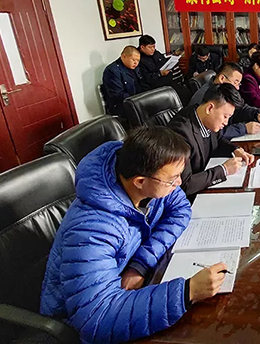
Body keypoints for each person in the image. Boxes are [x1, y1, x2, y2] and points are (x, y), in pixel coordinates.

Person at [40, 127, 229, 343]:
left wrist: (141, 263)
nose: (178, 184)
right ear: (140, 181)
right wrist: (188, 292)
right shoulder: (91, 230)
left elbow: (180, 209)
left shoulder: (150, 176)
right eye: (172, 180)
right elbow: (97, 319)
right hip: (75, 325)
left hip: (123, 286)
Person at [168, 84, 255, 197]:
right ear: (209, 108)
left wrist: (235, 150)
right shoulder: (180, 133)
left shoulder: (202, 116)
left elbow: (218, 139)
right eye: (225, 116)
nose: (226, 122)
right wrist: (224, 170)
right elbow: (186, 185)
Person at [190, 63, 260, 140]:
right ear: (222, 78)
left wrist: (257, 113)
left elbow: (240, 108)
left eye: (239, 84)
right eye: (235, 82)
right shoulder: (204, 98)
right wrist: (244, 128)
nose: (237, 88)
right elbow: (211, 133)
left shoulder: (225, 92)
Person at [137, 34, 190, 103]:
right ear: (142, 47)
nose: (153, 49)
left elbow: (164, 62)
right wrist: (159, 74)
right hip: (156, 85)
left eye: (154, 47)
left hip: (167, 80)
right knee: (180, 96)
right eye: (150, 47)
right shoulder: (138, 59)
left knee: (186, 91)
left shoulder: (156, 53)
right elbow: (146, 78)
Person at [101, 46, 147, 118]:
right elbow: (118, 95)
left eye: (138, 60)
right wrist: (138, 100)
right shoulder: (112, 71)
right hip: (122, 105)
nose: (136, 63)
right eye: (133, 60)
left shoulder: (135, 68)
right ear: (123, 56)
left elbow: (142, 84)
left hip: (138, 100)